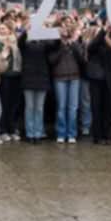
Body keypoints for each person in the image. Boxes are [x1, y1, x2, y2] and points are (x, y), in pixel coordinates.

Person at [47, 15, 84, 145]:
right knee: (61, 107)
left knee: (73, 108)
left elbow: (82, 59)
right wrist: (62, 45)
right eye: (64, 23)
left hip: (75, 77)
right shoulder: (54, 43)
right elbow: (51, 60)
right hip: (60, 77)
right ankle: (61, 133)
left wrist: (73, 43)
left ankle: (72, 133)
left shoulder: (76, 41)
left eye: (69, 23)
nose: (67, 26)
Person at [18, 18, 51, 144]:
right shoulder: (26, 43)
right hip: (28, 78)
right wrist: (25, 31)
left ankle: (38, 133)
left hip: (42, 78)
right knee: (30, 107)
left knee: (39, 108)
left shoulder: (44, 43)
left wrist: (47, 30)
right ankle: (30, 133)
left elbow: (55, 44)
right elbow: (20, 43)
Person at [85, 19, 111, 145]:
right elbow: (92, 46)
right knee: (96, 106)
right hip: (96, 78)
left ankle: (106, 134)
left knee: (107, 108)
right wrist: (103, 30)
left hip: (108, 78)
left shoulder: (109, 41)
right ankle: (97, 135)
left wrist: (110, 34)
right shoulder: (93, 43)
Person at [0, 21, 23, 142]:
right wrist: (4, 50)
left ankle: (12, 128)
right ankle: (3, 129)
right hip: (4, 76)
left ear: (10, 30)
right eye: (0, 29)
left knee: (14, 104)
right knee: (4, 104)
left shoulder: (15, 42)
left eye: (4, 28)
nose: (2, 31)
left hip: (16, 75)